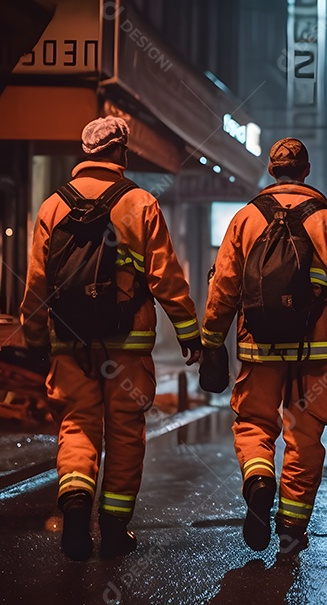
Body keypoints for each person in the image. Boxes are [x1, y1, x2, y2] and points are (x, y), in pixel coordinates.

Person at [20, 116, 203, 561]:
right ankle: (115, 529)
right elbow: (166, 278)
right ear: (120, 153)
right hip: (128, 346)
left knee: (78, 427)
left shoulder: (51, 207)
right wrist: (189, 332)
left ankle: (77, 515)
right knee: (124, 433)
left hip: (69, 343)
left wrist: (33, 338)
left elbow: (36, 283)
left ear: (87, 154)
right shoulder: (139, 203)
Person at [200, 138, 327, 556]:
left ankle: (258, 480)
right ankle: (291, 527)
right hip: (317, 352)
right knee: (305, 437)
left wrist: (211, 338)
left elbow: (223, 288)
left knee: (254, 423)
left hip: (259, 346)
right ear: (306, 171)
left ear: (272, 171)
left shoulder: (245, 219)